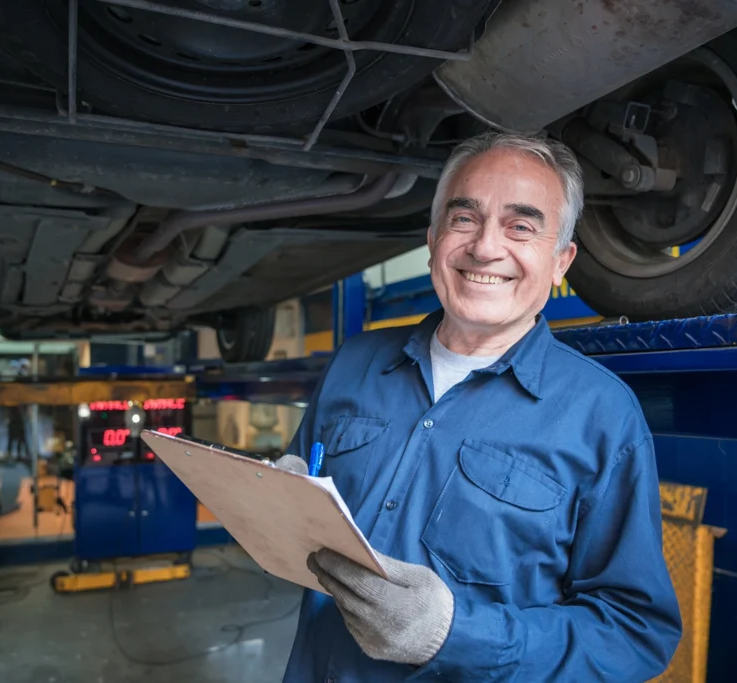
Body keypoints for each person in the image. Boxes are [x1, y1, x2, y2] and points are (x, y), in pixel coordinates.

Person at [276, 132, 682, 682]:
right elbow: (299, 496)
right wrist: (274, 508)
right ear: (433, 238)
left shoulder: (602, 416)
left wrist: (455, 635)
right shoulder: (355, 362)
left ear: (562, 260)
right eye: (464, 219)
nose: (485, 247)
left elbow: (634, 633)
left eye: (521, 226)